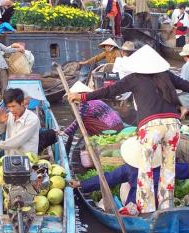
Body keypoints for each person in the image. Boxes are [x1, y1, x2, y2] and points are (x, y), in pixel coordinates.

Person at [68, 45, 189, 213]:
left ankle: (146, 210)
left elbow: (110, 91)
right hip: (173, 126)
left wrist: (82, 96)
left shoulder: (134, 78)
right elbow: (186, 85)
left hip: (151, 127)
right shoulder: (166, 75)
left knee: (144, 169)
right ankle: (166, 207)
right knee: (169, 168)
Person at [69, 137, 189, 215]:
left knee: (124, 183)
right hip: (162, 206)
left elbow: (107, 179)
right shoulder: (168, 167)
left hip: (137, 208)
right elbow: (186, 170)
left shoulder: (130, 169)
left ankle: (129, 209)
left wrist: (81, 183)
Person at [0, 88, 40, 155]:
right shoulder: (10, 115)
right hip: (10, 157)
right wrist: (1, 123)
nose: (11, 110)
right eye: (9, 107)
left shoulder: (32, 119)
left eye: (13, 106)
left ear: (22, 103)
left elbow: (16, 142)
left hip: (27, 159)